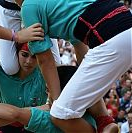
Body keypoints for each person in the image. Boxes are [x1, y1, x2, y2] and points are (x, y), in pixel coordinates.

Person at [12, 0, 131, 132]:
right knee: (85, 83)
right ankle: (105, 122)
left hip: (110, 38)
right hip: (124, 24)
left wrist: (56, 99)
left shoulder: (28, 7)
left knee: (59, 115)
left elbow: (45, 60)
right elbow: (80, 48)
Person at [0, 65, 97, 133]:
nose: (47, 93)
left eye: (49, 89)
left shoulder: (55, 119)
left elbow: (15, 113)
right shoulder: (90, 117)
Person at [0, 0, 61, 76]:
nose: (29, 61)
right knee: (10, 68)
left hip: (37, 5)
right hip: (8, 9)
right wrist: (17, 36)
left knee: (56, 65)